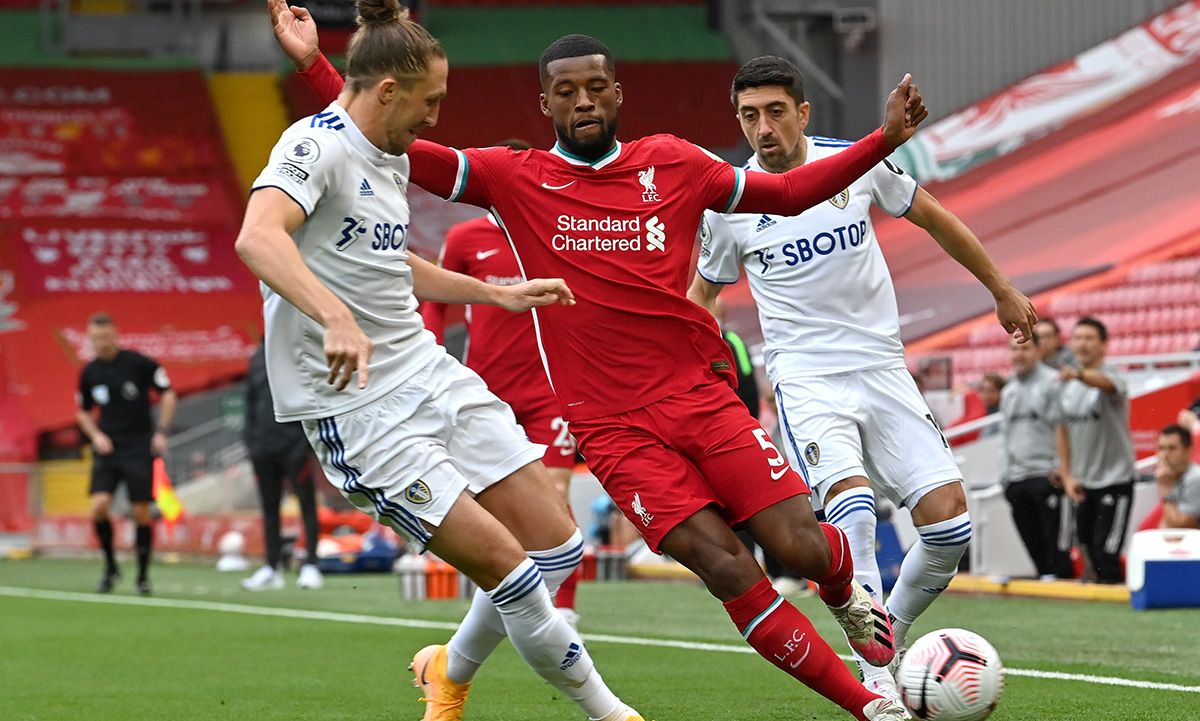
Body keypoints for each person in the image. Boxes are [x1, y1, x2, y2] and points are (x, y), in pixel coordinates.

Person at [278, 8, 932, 720]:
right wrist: (319, 65)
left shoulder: (676, 163)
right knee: (726, 566)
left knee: (801, 544)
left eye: (595, 87)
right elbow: (383, 128)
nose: (582, 100)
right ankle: (872, 708)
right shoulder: (512, 176)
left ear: (618, 94)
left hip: (698, 396)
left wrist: (883, 140)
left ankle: (844, 592)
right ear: (545, 104)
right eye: (566, 91)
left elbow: (785, 193)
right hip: (612, 428)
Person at [245, 4, 642, 720]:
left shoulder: (389, 155)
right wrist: (333, 315)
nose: (436, 117)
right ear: (390, 91)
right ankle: (612, 712)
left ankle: (446, 671)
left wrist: (497, 293)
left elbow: (388, 262)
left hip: (426, 371)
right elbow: (258, 238)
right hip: (357, 407)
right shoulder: (315, 146)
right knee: (511, 569)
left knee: (559, 547)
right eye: (430, 101)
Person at [686, 55, 1036, 702]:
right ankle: (877, 684)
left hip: (882, 366)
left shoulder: (854, 160)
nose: (762, 127)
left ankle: (887, 635)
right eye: (749, 115)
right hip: (806, 377)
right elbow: (702, 293)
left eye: (775, 112)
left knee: (949, 529)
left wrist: (1001, 288)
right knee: (854, 510)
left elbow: (933, 217)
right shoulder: (730, 202)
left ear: (803, 112)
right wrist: (682, 364)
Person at [420, 144, 583, 624]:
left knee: (554, 493)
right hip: (484, 391)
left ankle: (565, 608)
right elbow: (434, 298)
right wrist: (431, 348)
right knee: (489, 501)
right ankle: (505, 596)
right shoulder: (466, 237)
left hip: (548, 389)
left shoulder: (554, 233)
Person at [75, 312, 176, 595]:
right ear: (90, 339)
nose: (102, 343)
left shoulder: (138, 363)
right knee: (98, 507)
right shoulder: (89, 372)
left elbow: (167, 393)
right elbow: (82, 412)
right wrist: (96, 435)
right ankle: (110, 568)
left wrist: (162, 431)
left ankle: (143, 576)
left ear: (116, 335)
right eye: (96, 338)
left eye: (106, 337)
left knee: (140, 512)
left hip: (139, 447)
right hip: (109, 449)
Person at [1056, 317, 1136, 583]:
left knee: (1106, 552)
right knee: (1087, 549)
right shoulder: (1065, 386)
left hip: (1115, 479)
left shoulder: (1111, 377)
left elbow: (1106, 384)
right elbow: (1062, 431)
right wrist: (1067, 476)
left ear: (1104, 345)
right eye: (1078, 338)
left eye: (1090, 338)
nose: (1083, 344)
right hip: (1082, 482)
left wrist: (1078, 374)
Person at [241, 342, 325, 591]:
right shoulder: (257, 356)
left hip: (294, 444)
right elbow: (249, 401)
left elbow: (314, 396)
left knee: (307, 504)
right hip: (263, 447)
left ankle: (311, 565)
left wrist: (306, 442)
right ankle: (271, 566)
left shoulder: (300, 350)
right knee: (269, 508)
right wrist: (250, 442)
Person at [1000, 335, 1072, 580]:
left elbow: (1063, 428)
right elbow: (1006, 436)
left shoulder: (1053, 382)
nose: (1019, 354)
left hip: (1046, 473)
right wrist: (1005, 475)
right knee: (1031, 536)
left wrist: (1060, 467)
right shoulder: (1008, 391)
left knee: (1055, 538)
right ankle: (1044, 575)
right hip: (1017, 476)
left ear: (1038, 350)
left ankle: (1058, 578)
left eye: (1025, 348)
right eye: (1013, 349)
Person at [1153, 424, 1200, 530]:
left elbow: (1181, 527)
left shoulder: (1196, 478)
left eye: (1172, 448)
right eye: (1161, 448)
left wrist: (1166, 490)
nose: (1165, 454)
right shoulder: (1169, 476)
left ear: (1188, 450)